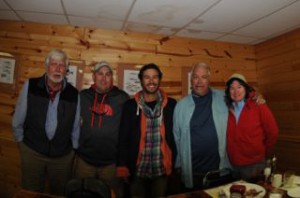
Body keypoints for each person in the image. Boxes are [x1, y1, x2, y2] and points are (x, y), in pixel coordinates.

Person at [173, 63, 265, 190]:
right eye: (195, 77)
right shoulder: (181, 106)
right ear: (191, 79)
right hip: (193, 173)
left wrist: (255, 96)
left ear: (209, 79)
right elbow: (177, 138)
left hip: (221, 171)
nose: (199, 81)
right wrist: (179, 166)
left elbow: (242, 95)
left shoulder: (224, 98)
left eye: (204, 77)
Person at [12, 49, 80, 195]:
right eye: (53, 64)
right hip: (32, 152)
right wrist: (21, 144)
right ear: (47, 66)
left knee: (60, 193)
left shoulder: (74, 94)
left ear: (66, 69)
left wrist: (73, 150)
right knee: (31, 191)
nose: (57, 69)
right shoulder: (31, 86)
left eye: (61, 65)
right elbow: (18, 118)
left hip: (62, 157)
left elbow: (75, 127)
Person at [117, 63, 177, 198]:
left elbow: (176, 137)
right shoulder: (130, 106)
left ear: (159, 80)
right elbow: (123, 138)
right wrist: (122, 165)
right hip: (138, 171)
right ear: (141, 80)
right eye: (147, 77)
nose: (151, 81)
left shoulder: (172, 105)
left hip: (161, 170)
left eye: (155, 77)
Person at [75, 61, 129, 198]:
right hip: (85, 161)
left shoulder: (122, 98)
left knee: (112, 195)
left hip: (111, 163)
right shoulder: (83, 96)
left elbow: (129, 129)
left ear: (112, 78)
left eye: (108, 74)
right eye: (100, 74)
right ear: (93, 77)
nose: (103, 78)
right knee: (83, 194)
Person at [225, 73, 278, 181]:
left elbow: (273, 132)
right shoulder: (226, 109)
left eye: (239, 87)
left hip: (254, 165)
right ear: (228, 91)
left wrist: (262, 152)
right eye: (232, 88)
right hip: (233, 165)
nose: (236, 91)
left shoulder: (259, 105)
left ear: (246, 89)